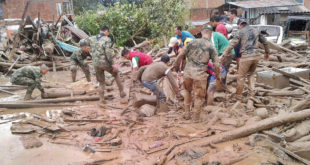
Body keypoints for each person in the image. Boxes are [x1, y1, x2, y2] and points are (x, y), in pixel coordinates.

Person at [173, 25, 220, 122]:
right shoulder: (211, 46)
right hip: (199, 74)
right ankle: (195, 119)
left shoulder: (192, 42)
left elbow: (180, 55)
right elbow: (216, 65)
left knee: (187, 91)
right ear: (210, 34)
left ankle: (186, 114)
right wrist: (218, 76)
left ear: (202, 32)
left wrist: (176, 67)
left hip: (188, 72)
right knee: (199, 97)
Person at [221, 19, 270, 109]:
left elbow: (233, 44)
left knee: (241, 77)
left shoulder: (240, 32)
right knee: (251, 74)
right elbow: (265, 42)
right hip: (256, 56)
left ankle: (238, 96)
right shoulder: (256, 30)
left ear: (240, 24)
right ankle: (251, 94)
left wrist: (224, 55)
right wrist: (267, 53)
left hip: (246, 56)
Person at [88, 26, 126, 108]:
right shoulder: (107, 39)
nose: (108, 34)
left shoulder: (92, 38)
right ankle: (122, 94)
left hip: (96, 63)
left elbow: (89, 48)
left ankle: (101, 100)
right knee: (116, 73)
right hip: (105, 62)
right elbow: (108, 52)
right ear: (106, 31)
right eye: (108, 32)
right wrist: (113, 64)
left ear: (99, 31)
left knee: (101, 82)